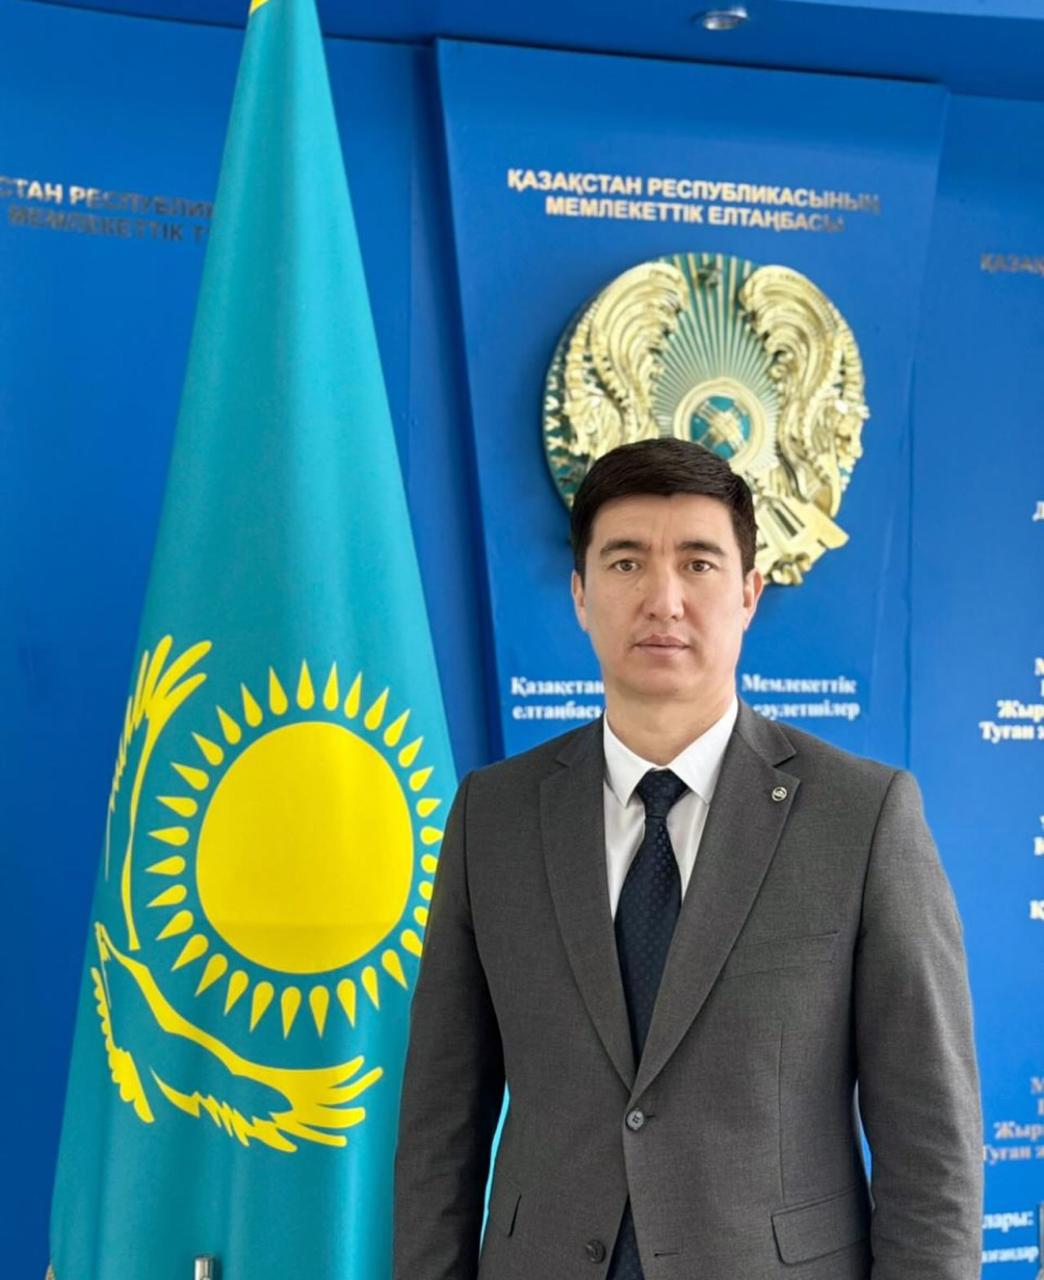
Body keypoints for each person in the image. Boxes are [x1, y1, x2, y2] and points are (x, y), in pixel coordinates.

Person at [393, 437, 982, 1280]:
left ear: (748, 594)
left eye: (698, 564)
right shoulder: (494, 815)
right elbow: (438, 1125)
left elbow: (932, 1145)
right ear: (580, 594)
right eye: (626, 563)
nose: (663, 599)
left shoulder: (862, 816)